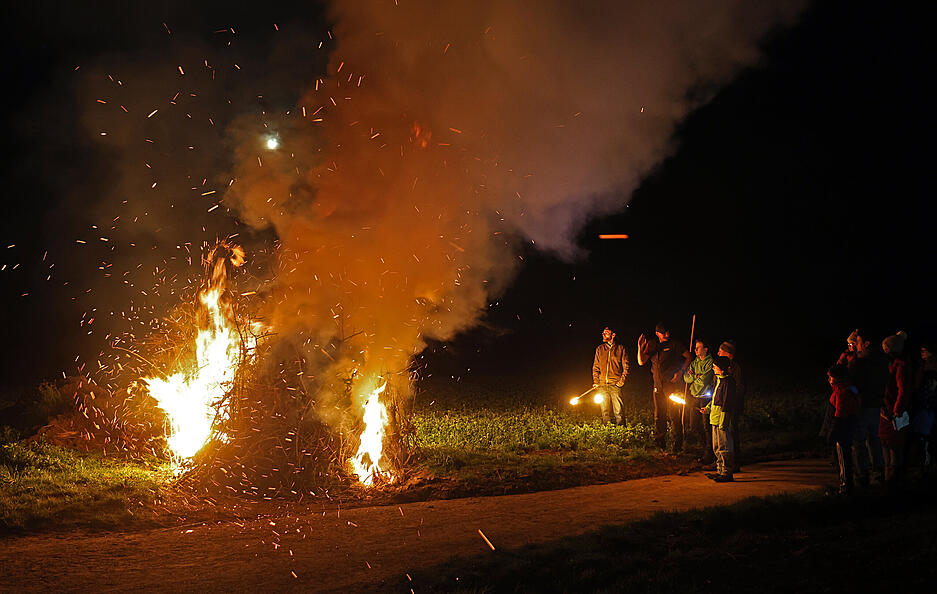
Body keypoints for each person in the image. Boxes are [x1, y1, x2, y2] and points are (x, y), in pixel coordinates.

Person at [638, 323, 692, 451]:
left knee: (674, 414)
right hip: (658, 386)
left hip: (672, 385)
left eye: (667, 332)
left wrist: (680, 372)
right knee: (659, 415)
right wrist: (639, 347)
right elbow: (641, 362)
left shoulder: (674, 344)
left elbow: (689, 357)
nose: (667, 334)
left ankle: (677, 444)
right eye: (664, 332)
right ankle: (660, 443)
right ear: (657, 333)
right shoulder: (652, 345)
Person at [847, 329, 887, 486]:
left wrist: (854, 393)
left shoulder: (859, 362)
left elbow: (849, 383)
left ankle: (862, 475)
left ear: (866, 344)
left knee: (859, 441)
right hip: (876, 404)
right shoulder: (883, 360)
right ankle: (879, 474)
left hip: (861, 406)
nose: (856, 345)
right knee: (875, 440)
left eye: (858, 342)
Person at [880, 331, 911, 486]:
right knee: (886, 443)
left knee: (893, 444)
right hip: (887, 409)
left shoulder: (900, 366)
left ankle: (893, 478)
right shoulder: (893, 364)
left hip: (893, 411)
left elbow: (902, 389)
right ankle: (889, 475)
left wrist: (897, 409)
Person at [827, 364, 860, 494]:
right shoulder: (847, 389)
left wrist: (833, 432)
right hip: (847, 426)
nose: (829, 380)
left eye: (830, 377)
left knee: (843, 457)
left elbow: (840, 414)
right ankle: (845, 485)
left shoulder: (842, 392)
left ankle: (845, 486)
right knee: (843, 456)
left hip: (843, 428)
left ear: (837, 378)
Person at [705, 355, 738, 482]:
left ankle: (727, 472)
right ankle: (720, 470)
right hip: (715, 418)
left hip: (722, 420)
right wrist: (708, 409)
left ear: (722, 368)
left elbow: (727, 403)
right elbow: (715, 399)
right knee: (717, 447)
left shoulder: (728, 382)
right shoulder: (718, 379)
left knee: (725, 446)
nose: (713, 367)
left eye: (715, 365)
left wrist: (724, 421)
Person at [683, 339, 715, 464]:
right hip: (694, 397)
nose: (695, 350)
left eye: (698, 347)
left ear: (706, 349)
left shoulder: (710, 362)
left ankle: (710, 452)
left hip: (705, 398)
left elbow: (704, 381)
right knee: (694, 425)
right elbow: (686, 377)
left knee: (707, 427)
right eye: (695, 348)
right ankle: (705, 448)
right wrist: (696, 376)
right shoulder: (694, 363)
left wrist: (694, 376)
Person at [593, 327, 628, 425]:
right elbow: (595, 367)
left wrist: (621, 381)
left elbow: (626, 367)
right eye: (603, 333)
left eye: (606, 333)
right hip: (602, 385)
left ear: (613, 335)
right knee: (605, 411)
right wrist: (596, 382)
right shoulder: (600, 349)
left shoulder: (620, 348)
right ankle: (608, 431)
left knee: (619, 412)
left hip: (615, 385)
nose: (603, 335)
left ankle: (621, 432)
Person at [717, 340, 744, 472]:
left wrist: (731, 404)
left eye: (720, 351)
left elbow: (738, 389)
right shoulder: (722, 369)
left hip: (732, 407)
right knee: (725, 435)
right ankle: (722, 463)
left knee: (731, 433)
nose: (718, 353)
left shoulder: (735, 369)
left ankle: (734, 463)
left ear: (727, 354)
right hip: (724, 407)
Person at [910, 342, 937, 470]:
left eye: (924, 351)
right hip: (925, 404)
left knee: (925, 434)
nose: (922, 353)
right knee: (924, 434)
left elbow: (928, 388)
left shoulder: (930, 368)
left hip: (927, 406)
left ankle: (926, 462)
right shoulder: (924, 366)